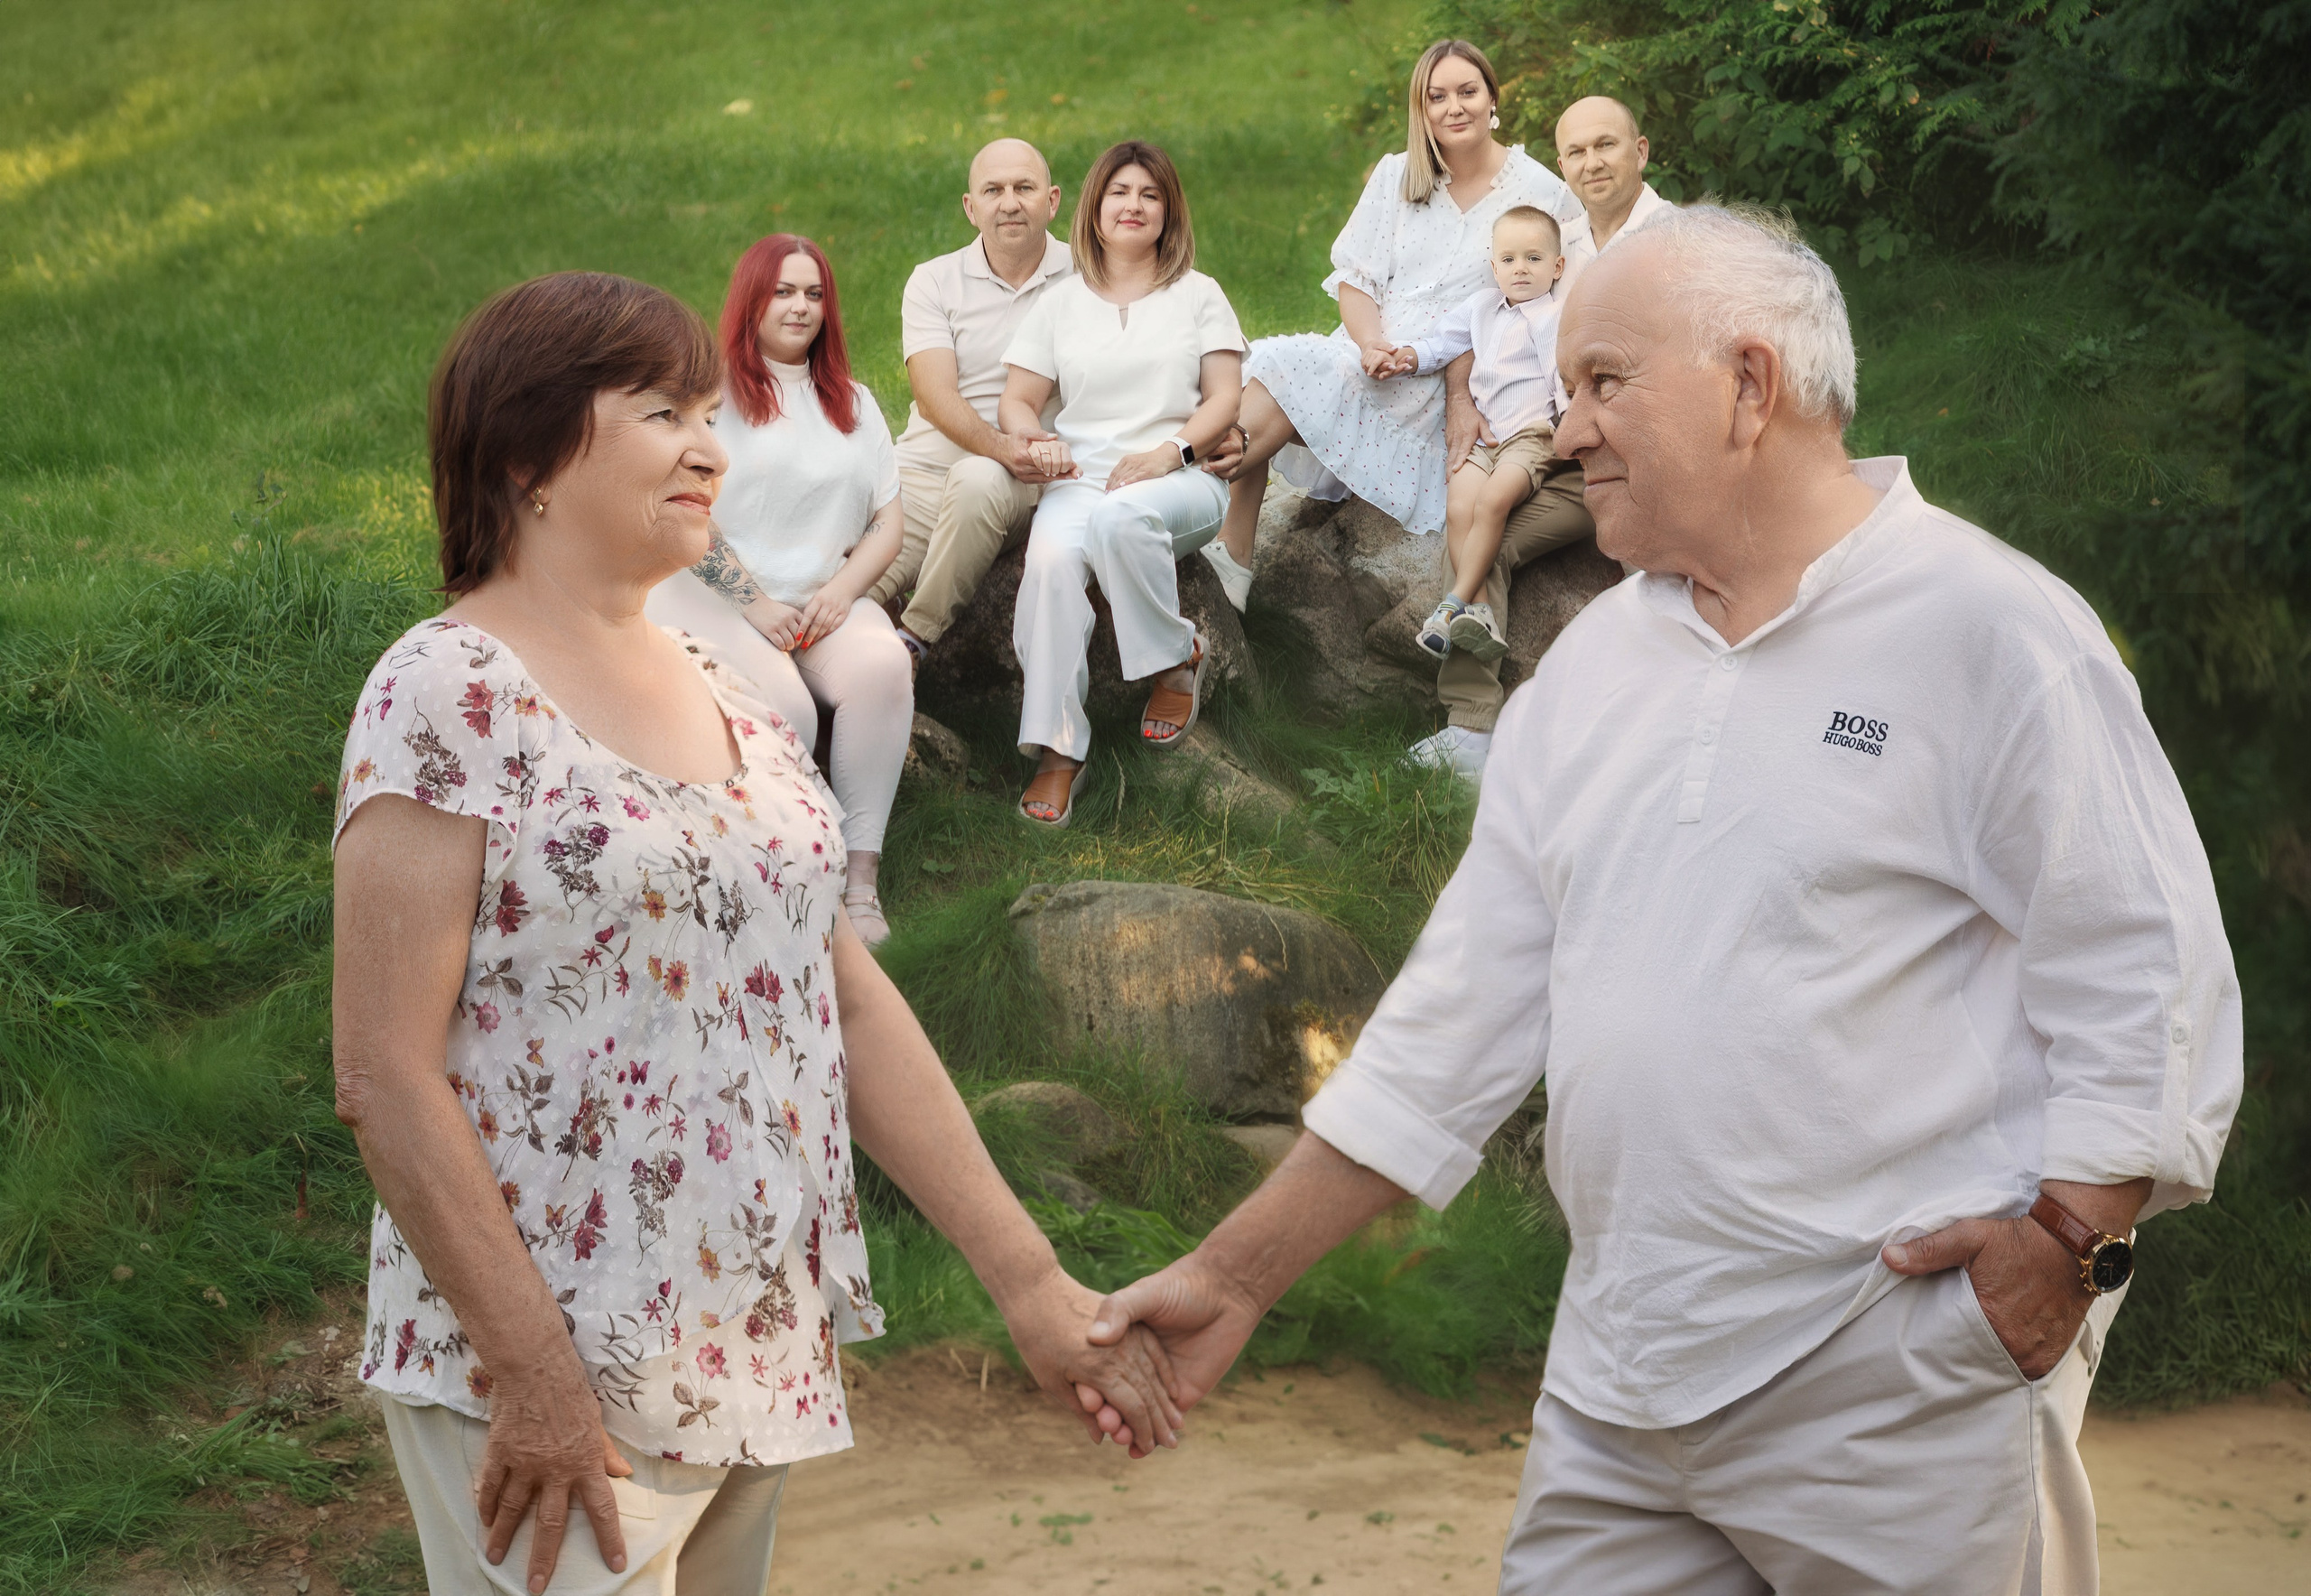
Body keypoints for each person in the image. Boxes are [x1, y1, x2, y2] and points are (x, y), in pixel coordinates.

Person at [1087, 209, 2242, 1594]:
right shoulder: (1587, 671)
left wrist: (2068, 1244)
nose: (1562, 431)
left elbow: (2146, 969)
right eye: (1564, 387)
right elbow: (1459, 1017)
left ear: (1752, 388)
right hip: (1620, 1382)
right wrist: (1231, 1278)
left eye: (1602, 382)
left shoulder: (1992, 630)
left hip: (1902, 1380)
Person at [333, 272, 1183, 1596]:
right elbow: (383, 1072)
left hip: (750, 1359)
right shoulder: (445, 691)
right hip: (544, 1389)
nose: (710, 447)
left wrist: (1028, 1279)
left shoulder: (733, 694)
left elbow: (841, 1001)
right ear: (525, 455)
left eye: (708, 413)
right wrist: (540, 1379)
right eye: (662, 412)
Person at [1206, 39, 1576, 593]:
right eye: (1438, 97)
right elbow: (1356, 278)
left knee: (1277, 369)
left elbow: (1546, 305)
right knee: (1276, 369)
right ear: (1421, 110)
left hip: (1440, 378)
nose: (1455, 108)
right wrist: (1370, 343)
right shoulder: (1399, 176)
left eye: (1468, 92)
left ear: (1493, 99)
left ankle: (1210, 535)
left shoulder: (1541, 191)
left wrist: (1464, 390)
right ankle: (1229, 552)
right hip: (1371, 355)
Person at [645, 236, 913, 945]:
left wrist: (843, 592)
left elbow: (890, 520)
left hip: (821, 597)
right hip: (715, 593)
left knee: (885, 665)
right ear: (752, 301)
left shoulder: (853, 403)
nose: (800, 306)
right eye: (784, 291)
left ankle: (858, 886)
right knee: (789, 707)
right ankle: (791, 879)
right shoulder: (710, 399)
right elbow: (686, 503)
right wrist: (756, 604)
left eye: (814, 293)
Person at [1000, 140, 1246, 827]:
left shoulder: (1199, 295)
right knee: (1048, 566)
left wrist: (1171, 453)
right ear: (1094, 209)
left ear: (1168, 212)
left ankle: (1174, 661)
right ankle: (1057, 750)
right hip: (1081, 479)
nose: (1133, 205)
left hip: (1182, 480)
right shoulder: (1058, 303)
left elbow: (1225, 399)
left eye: (1150, 194)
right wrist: (1037, 438)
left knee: (1121, 521)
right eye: (1119, 193)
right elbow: (1019, 400)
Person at [864, 139, 1075, 667]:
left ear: (1051, 201)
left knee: (979, 482)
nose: (1009, 202)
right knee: (848, 591)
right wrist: (1000, 446)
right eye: (993, 190)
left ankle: (912, 644)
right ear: (970, 207)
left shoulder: (1086, 278)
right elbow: (934, 398)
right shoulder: (933, 280)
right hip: (926, 472)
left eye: (1024, 188)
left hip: (1019, 478)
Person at [1373, 205, 1581, 672]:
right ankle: (1481, 614)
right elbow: (1441, 344)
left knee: (1491, 504)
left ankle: (1450, 608)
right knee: (1460, 507)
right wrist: (1406, 356)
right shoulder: (1482, 307)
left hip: (1532, 437)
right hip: (1486, 438)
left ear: (1557, 266)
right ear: (1493, 266)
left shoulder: (1553, 315)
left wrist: (1570, 429)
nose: (1520, 269)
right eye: (1508, 260)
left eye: (1533, 258)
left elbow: (1557, 375)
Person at [1552, 95, 1671, 301]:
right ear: (1563, 168)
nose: (1592, 164)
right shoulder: (1554, 249)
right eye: (1577, 152)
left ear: (1640, 152)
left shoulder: (1685, 239)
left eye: (1605, 144)